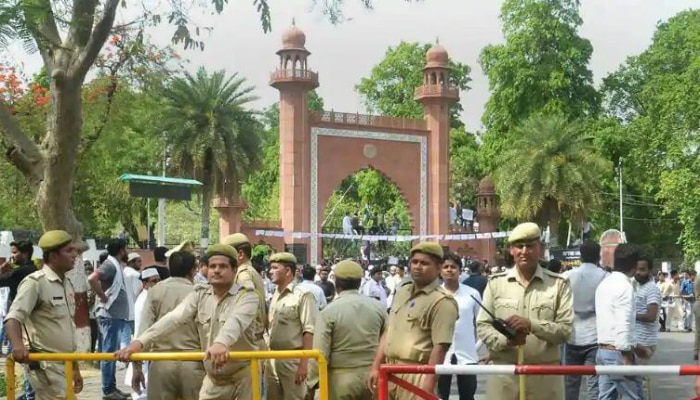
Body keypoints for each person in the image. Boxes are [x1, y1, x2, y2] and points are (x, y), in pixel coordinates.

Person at [116, 243, 259, 400]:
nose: (216, 270)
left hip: (243, 378)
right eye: (213, 266)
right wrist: (139, 343)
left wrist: (221, 343)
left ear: (234, 271)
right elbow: (174, 318)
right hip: (213, 380)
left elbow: (236, 321)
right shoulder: (199, 295)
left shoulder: (247, 296)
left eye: (223, 266)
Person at [476, 222, 573, 400]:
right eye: (519, 246)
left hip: (544, 378)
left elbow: (565, 331)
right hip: (504, 377)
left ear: (540, 249)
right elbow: (483, 326)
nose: (524, 251)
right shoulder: (496, 283)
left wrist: (532, 325)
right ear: (512, 250)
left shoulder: (558, 285)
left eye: (530, 246)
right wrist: (506, 340)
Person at [367, 242, 458, 400]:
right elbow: (388, 331)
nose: (417, 266)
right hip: (389, 370)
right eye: (414, 262)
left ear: (438, 268)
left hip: (417, 373)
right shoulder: (402, 291)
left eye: (424, 263)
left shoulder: (442, 302)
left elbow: (440, 347)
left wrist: (427, 387)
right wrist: (376, 366)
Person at [3, 230, 83, 399]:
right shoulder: (35, 283)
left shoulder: (66, 283)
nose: (75, 254)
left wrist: (75, 367)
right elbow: (12, 319)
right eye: (69, 251)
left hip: (65, 363)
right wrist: (18, 346)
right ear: (53, 256)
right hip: (45, 365)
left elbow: (66, 329)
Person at [307, 260, 386, 400]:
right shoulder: (378, 308)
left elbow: (320, 352)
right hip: (372, 378)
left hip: (340, 380)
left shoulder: (329, 311)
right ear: (360, 282)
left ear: (336, 283)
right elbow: (388, 341)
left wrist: (312, 383)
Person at [131, 252, 203, 400]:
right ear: (193, 270)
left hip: (161, 363)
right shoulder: (200, 293)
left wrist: (136, 369)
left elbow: (144, 330)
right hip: (193, 362)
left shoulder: (156, 291)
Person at [266, 252, 318, 400]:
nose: (270, 271)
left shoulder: (302, 295)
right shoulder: (275, 294)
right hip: (272, 359)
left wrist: (304, 364)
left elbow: (309, 331)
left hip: (293, 360)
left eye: (275, 268)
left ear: (288, 270)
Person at [595, 243, 642, 400]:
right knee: (633, 396)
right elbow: (623, 322)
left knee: (606, 397)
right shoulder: (625, 287)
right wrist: (627, 356)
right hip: (618, 353)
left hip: (602, 350)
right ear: (635, 266)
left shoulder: (604, 284)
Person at [563, 241, 608, 400]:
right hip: (595, 336)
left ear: (580, 256)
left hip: (571, 334)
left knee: (570, 383)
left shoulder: (567, 276)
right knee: (593, 384)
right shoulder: (604, 277)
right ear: (599, 256)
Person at [438, 253, 480, 400]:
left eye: (453, 267)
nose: (449, 270)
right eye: (446, 267)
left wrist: (477, 347)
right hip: (440, 355)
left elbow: (481, 323)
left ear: (460, 271)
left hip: (467, 354)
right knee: (439, 395)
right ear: (440, 271)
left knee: (468, 395)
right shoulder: (434, 295)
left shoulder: (472, 294)